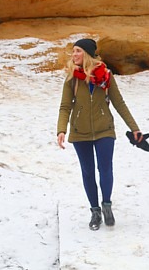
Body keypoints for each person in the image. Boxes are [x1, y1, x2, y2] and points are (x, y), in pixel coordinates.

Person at [56, 38, 144, 231]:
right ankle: (95, 211)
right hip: (80, 132)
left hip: (105, 130)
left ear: (87, 54)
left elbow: (119, 103)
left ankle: (107, 205)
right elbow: (65, 106)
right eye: (73, 51)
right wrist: (61, 129)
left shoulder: (106, 76)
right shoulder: (72, 78)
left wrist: (134, 127)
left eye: (78, 51)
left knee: (105, 169)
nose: (74, 55)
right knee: (87, 172)